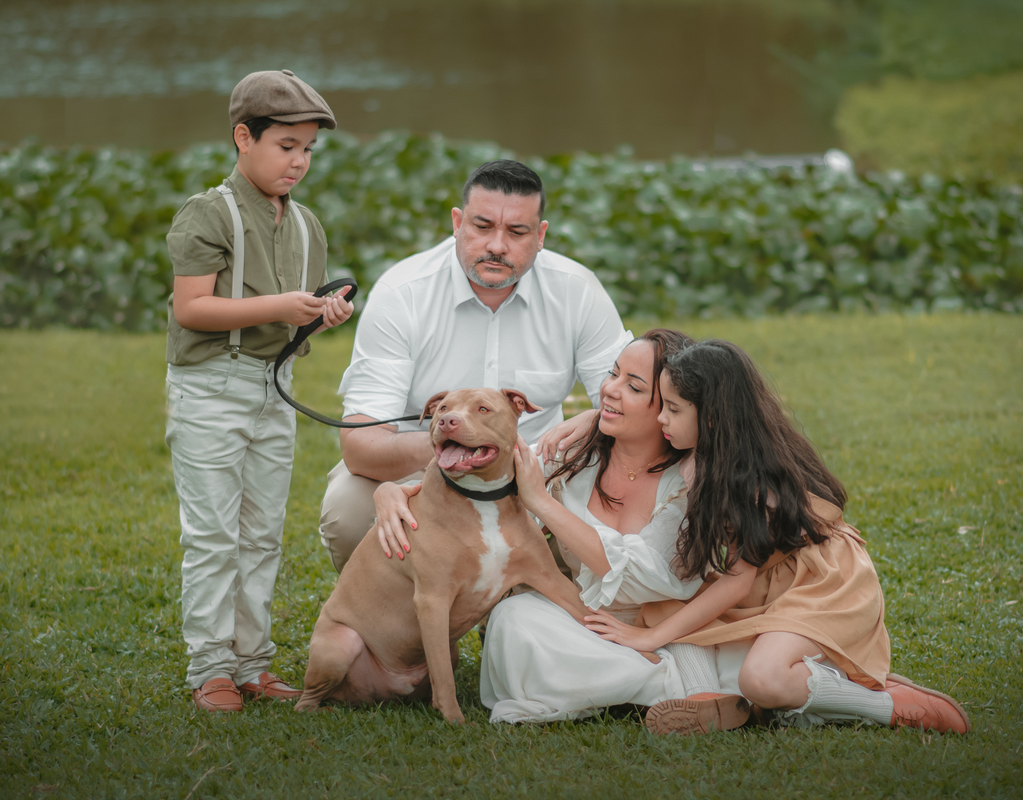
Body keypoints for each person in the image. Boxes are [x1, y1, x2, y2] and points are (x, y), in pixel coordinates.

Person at [585, 340, 971, 734]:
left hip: (821, 581)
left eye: (672, 409)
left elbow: (737, 582)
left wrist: (649, 639)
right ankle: (707, 700)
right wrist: (582, 421)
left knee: (762, 679)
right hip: (768, 578)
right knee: (667, 601)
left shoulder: (748, 481)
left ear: (712, 417)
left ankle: (887, 704)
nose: (660, 418)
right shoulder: (700, 452)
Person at [319, 159, 630, 573]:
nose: (497, 246)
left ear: (540, 236)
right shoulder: (402, 291)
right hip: (425, 466)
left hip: (541, 470)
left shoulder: (578, 290)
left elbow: (636, 402)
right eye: (482, 227)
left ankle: (536, 603)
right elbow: (361, 448)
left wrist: (595, 418)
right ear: (457, 222)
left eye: (517, 232)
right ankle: (393, 613)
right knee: (348, 509)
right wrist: (455, 446)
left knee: (623, 478)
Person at [164, 69, 354, 712]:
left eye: (307, 150)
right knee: (213, 533)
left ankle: (251, 662)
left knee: (262, 532)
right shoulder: (208, 213)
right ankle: (210, 667)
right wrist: (282, 304)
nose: (298, 162)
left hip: (274, 391)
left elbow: (288, 333)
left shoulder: (308, 228)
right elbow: (191, 308)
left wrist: (318, 319)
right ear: (243, 137)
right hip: (210, 389)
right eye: (285, 146)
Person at [462, 329, 720, 723]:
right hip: (578, 619)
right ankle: (663, 686)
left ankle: (657, 684)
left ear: (670, 406)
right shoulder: (571, 454)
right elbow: (484, 476)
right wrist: (396, 493)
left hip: (663, 627)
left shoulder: (687, 481)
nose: (609, 391)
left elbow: (645, 579)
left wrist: (542, 504)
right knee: (514, 620)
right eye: (613, 374)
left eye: (633, 387)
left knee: (736, 658)